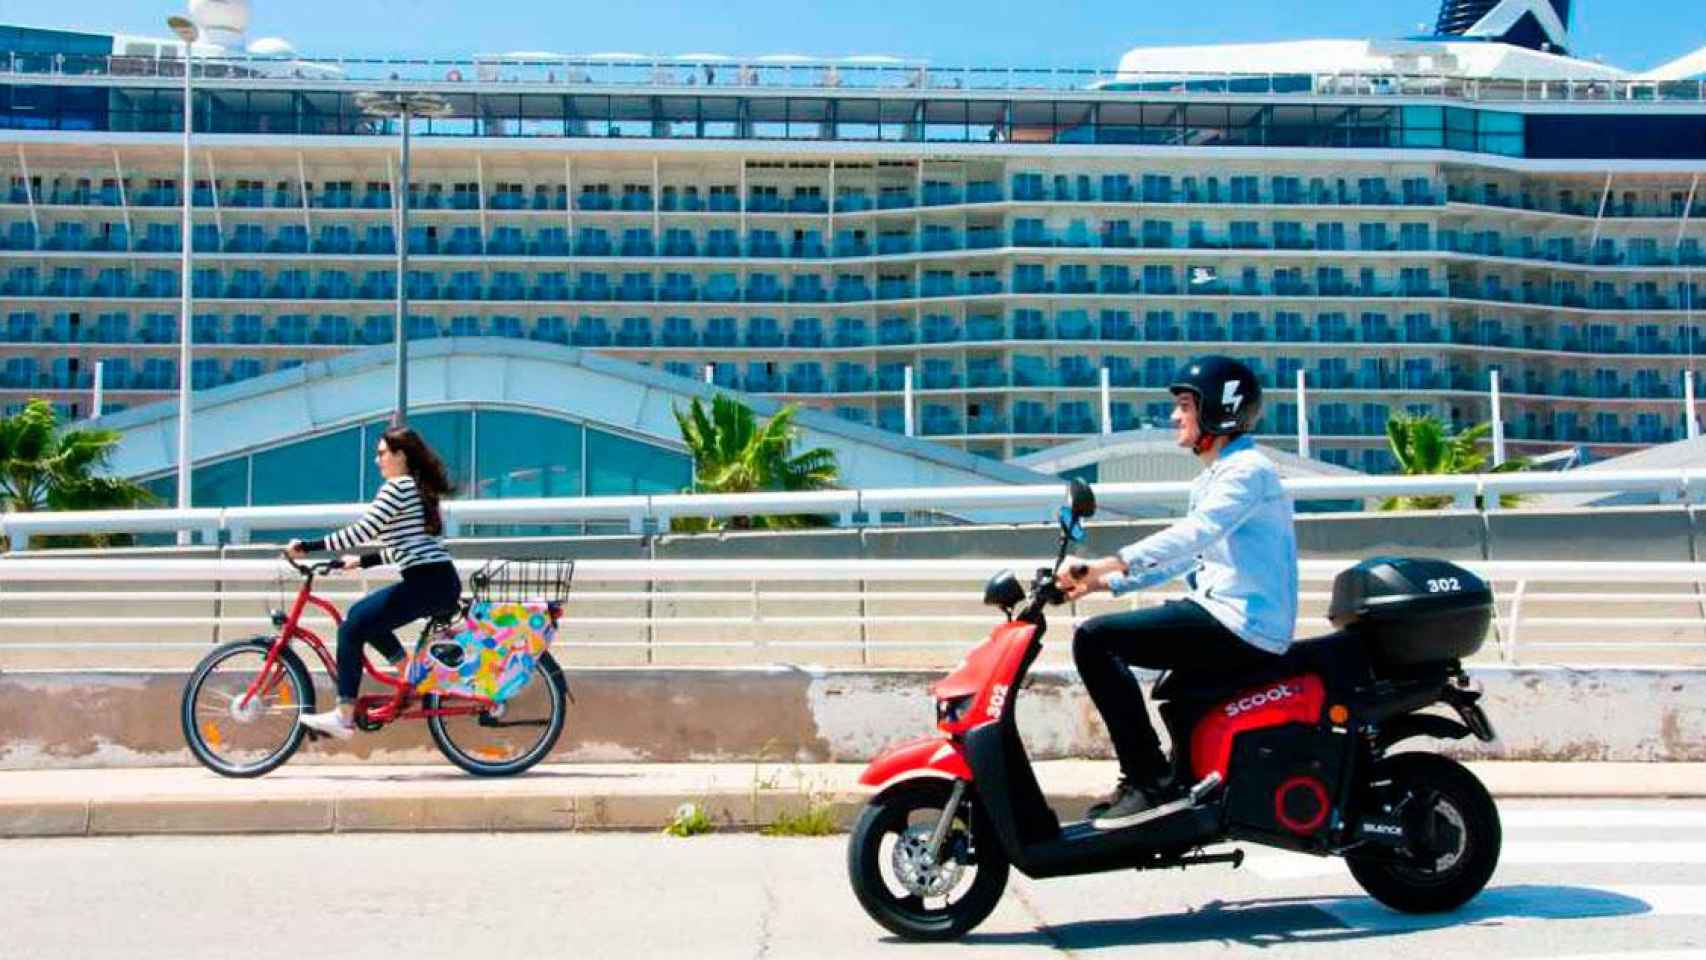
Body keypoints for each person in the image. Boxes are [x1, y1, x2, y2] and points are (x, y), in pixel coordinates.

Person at [1055, 356, 1298, 830]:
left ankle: (1147, 781)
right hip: (1225, 613)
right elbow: (1191, 557)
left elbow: (1196, 533)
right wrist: (1101, 581)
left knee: (1096, 640)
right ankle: (1172, 788)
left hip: (1242, 622)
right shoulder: (1215, 476)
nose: (1174, 417)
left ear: (1218, 412)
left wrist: (1112, 561)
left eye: (1185, 405)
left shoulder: (1247, 470)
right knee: (1164, 682)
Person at [289, 427, 461, 739]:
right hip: (438, 581)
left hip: (426, 582)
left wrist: (308, 546)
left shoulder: (397, 487)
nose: (376, 460)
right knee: (363, 616)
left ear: (400, 456)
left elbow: (361, 531)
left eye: (382, 453)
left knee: (352, 627)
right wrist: (362, 561)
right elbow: (411, 544)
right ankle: (410, 674)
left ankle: (344, 716)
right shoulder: (417, 489)